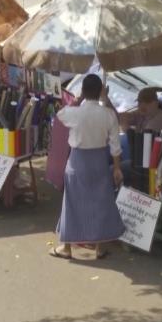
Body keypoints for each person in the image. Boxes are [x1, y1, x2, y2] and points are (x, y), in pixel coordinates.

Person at [49, 74, 125, 260]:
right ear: (101, 91)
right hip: (99, 160)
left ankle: (66, 247)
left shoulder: (75, 112)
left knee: (72, 203)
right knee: (100, 202)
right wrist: (116, 168)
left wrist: (79, 98)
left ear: (83, 91)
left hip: (77, 162)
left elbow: (60, 114)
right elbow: (115, 145)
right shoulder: (108, 114)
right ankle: (99, 247)